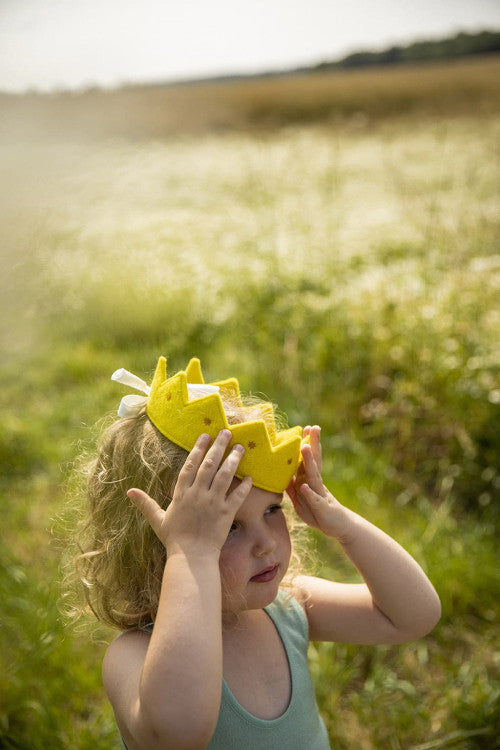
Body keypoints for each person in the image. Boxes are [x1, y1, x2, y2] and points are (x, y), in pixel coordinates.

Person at [73, 356, 441, 750]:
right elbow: (177, 734)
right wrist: (192, 555)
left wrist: (345, 527)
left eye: (271, 510)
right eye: (228, 527)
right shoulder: (133, 654)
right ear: (155, 547)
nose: (265, 542)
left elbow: (413, 616)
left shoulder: (288, 608)